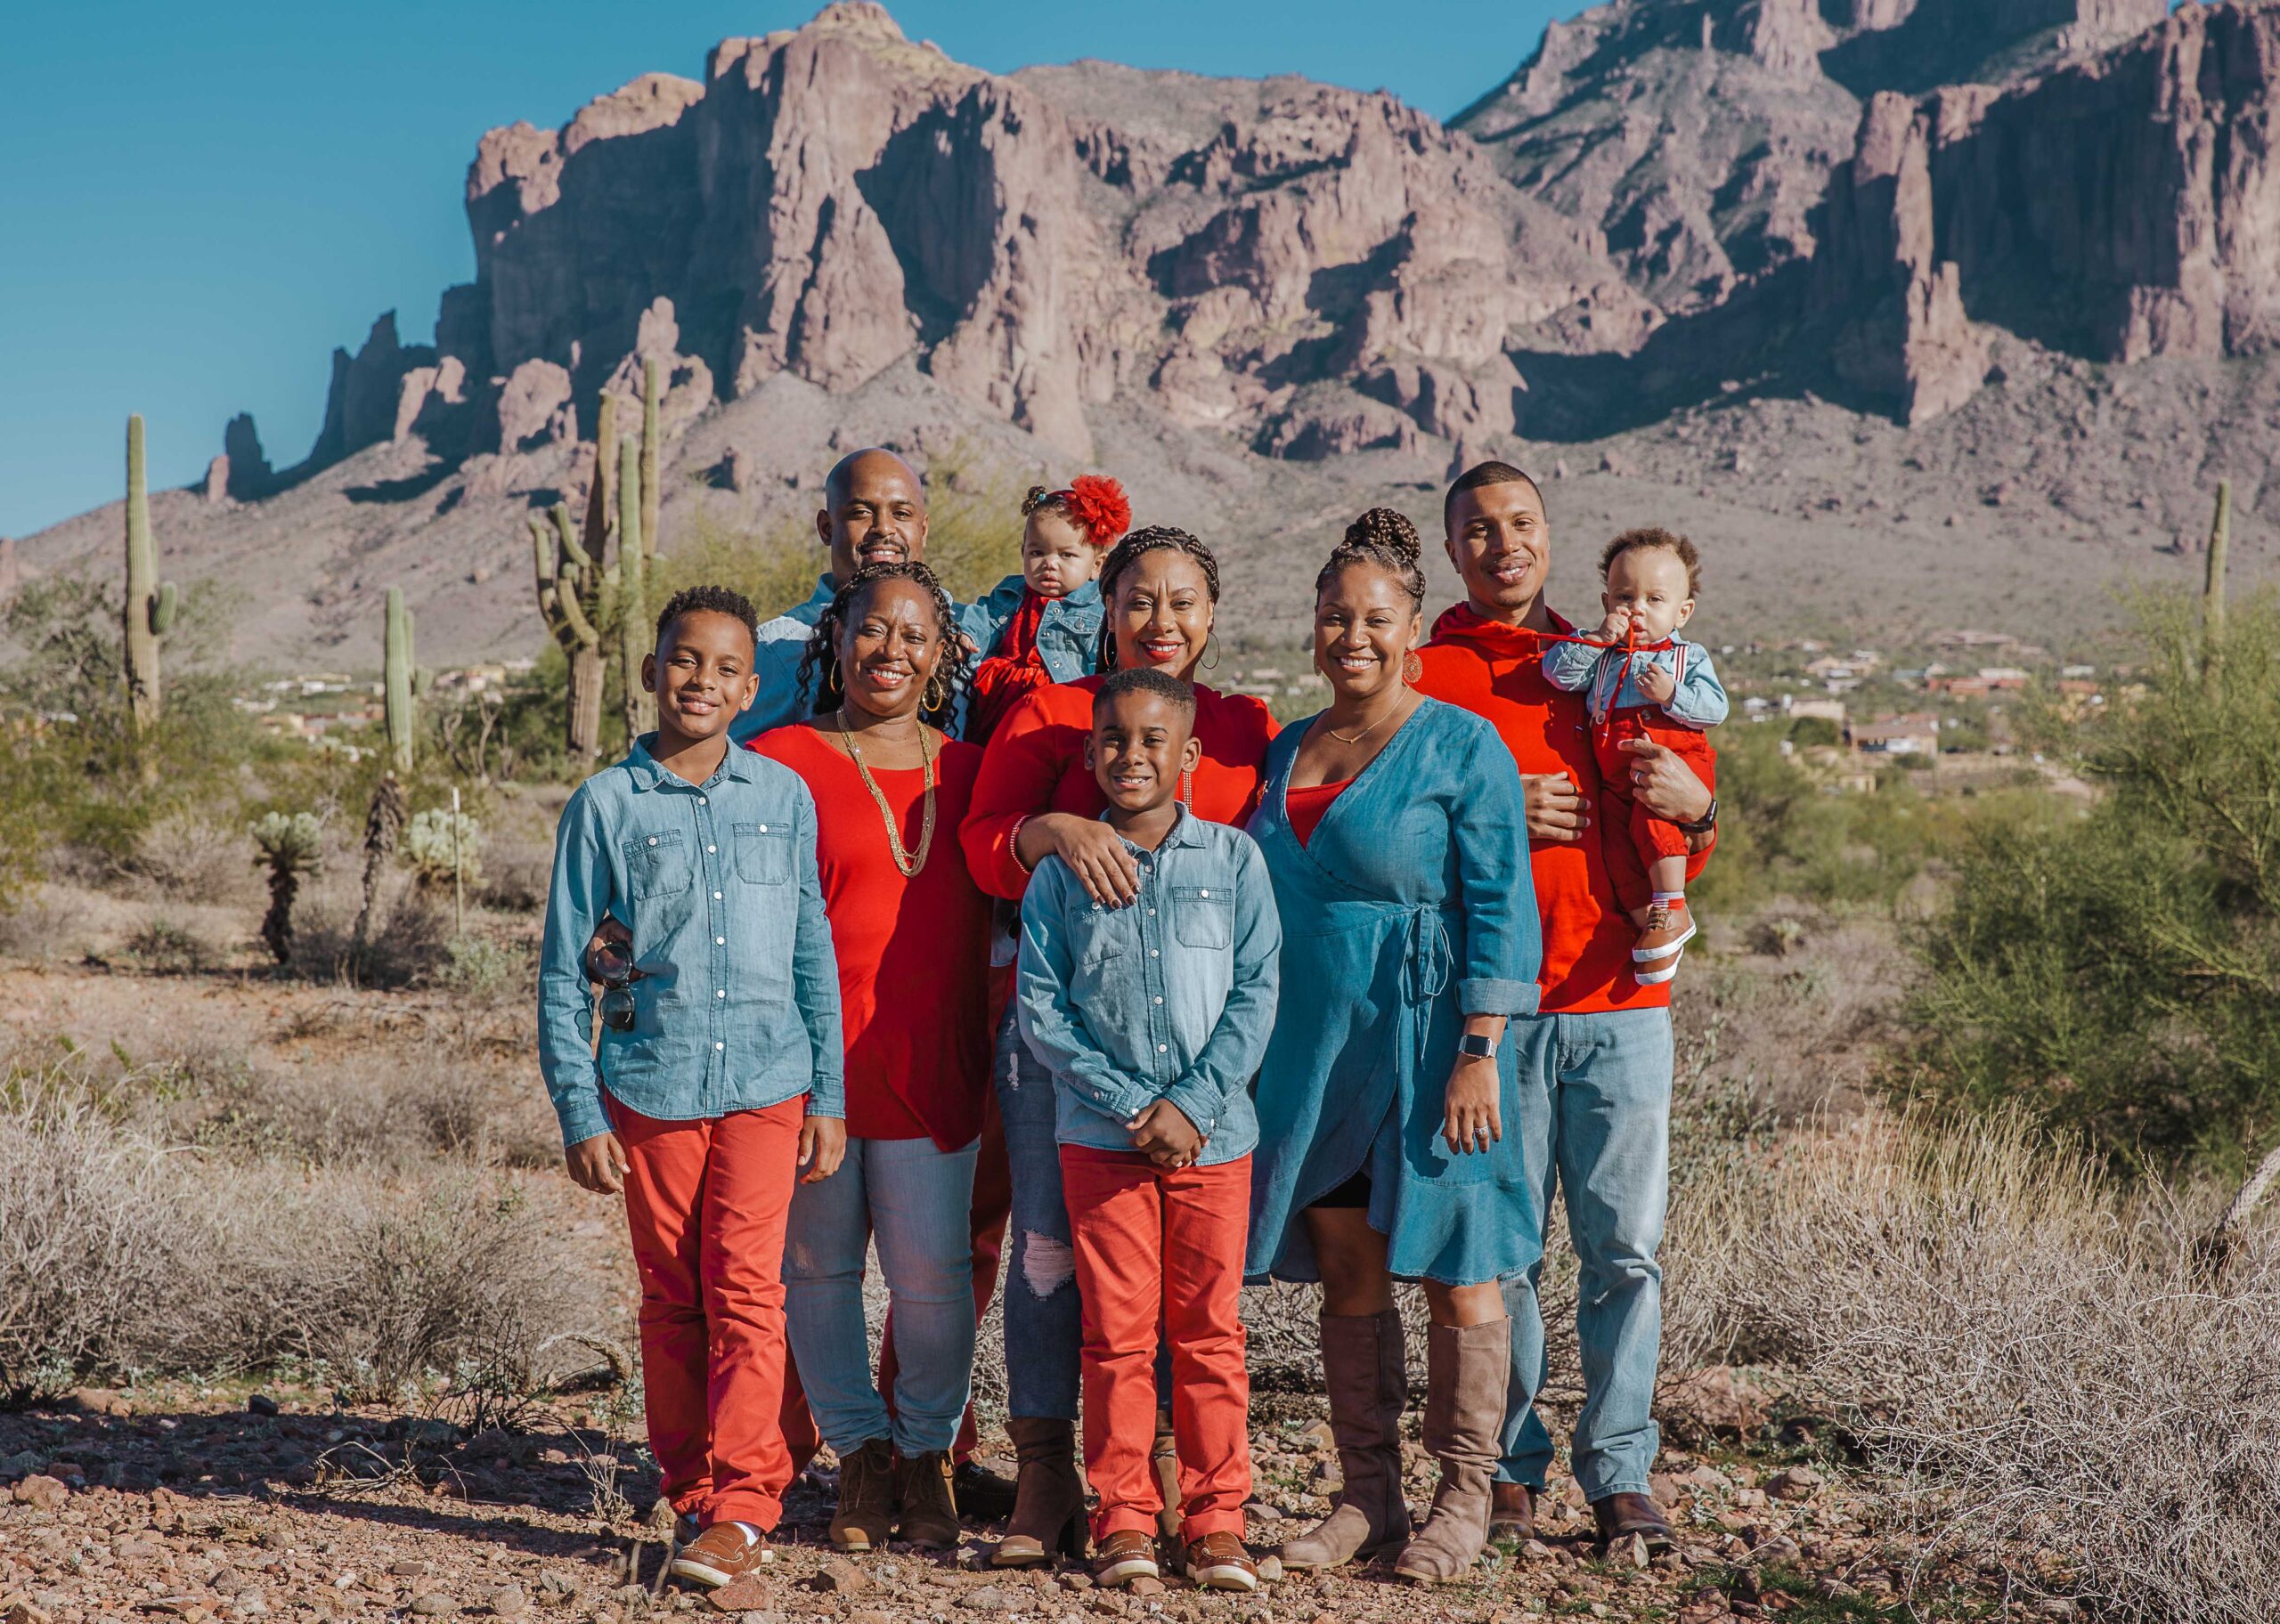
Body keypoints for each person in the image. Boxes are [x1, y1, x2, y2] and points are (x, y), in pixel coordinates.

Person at [960, 524, 1278, 1567]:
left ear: (1212, 614)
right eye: (1139, 600)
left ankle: (1190, 1495)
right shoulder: (1053, 712)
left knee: (1189, 1307)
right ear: (1105, 607)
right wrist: (1059, 829)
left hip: (1203, 1072)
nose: (1161, 622)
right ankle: (1054, 1474)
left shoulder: (1240, 725)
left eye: (1183, 602)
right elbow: (982, 841)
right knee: (1057, 1263)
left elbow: (1272, 882)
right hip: (1072, 1059)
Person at [1413, 462, 1717, 1554]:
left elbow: (1673, 791)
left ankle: (1621, 1470)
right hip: (1493, 1014)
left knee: (1623, 1252)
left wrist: (1705, 807)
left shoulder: (1603, 661)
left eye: (1522, 524)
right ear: (1451, 550)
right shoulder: (1427, 668)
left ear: (1549, 536)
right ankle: (1505, 1468)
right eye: (1478, 530)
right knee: (1504, 1256)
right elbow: (1385, 832)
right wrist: (1490, 808)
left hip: (1624, 1000)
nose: (1503, 545)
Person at [1246, 509, 1543, 1586]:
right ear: (1313, 627)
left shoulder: (1462, 743)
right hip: (1318, 1055)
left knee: (1461, 1271)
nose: (1352, 637)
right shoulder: (1289, 747)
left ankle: (1464, 1499)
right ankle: (1367, 1498)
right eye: (1335, 617)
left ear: (1414, 628)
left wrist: (1479, 1047)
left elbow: (1501, 904)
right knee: (1347, 1270)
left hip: (1432, 1047)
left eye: (1375, 618)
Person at [728, 443, 1018, 1520]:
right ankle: (855, 1455)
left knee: (936, 1276)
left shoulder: (979, 774)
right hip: (811, 1062)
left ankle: (928, 1452)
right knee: (818, 1270)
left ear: (942, 652)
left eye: (913, 634)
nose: (888, 649)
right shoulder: (785, 762)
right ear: (836, 641)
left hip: (935, 1058)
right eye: (870, 631)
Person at [537, 586, 846, 1593]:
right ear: (650, 670)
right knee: (673, 1299)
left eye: (723, 669)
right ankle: (689, 1487)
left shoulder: (780, 796)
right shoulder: (605, 806)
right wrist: (579, 1108)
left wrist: (828, 1094)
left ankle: (747, 1503)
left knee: (749, 1290)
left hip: (767, 1080)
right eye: (683, 660)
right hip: (652, 1081)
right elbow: (557, 967)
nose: (700, 681)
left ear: (751, 689)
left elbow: (811, 947)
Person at [1015, 668, 1282, 1592]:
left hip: (1215, 1139)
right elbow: (1044, 1011)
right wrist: (1136, 1103)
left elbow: (1256, 993)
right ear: (1090, 754)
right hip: (1102, 1137)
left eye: (1152, 740)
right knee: (1117, 1335)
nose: (1132, 756)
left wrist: (1191, 1104)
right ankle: (1123, 1517)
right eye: (1114, 740)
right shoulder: (1060, 875)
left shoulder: (1234, 863)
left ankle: (1215, 1521)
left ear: (1190, 754)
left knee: (1208, 1332)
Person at [1540, 527, 1726, 981]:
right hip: (1615, 777)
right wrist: (1599, 638)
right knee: (1615, 846)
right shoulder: (1599, 655)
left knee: (1654, 820)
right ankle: (1652, 928)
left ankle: (1673, 907)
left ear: (1683, 611)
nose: (1637, 608)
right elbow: (1557, 675)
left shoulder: (1687, 657)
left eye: (1654, 599)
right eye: (1625, 597)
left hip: (1672, 760)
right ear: (1607, 602)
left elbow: (1715, 709)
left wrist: (1672, 694)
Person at [965, 476, 1130, 744]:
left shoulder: (1098, 608)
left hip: (1059, 704)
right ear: (1023, 554)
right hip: (998, 698)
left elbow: (1103, 664)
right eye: (1037, 552)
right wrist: (967, 637)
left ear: (1097, 565)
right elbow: (983, 619)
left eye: (1066, 555)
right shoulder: (1012, 592)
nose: (1050, 564)